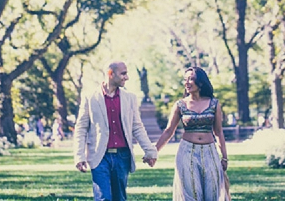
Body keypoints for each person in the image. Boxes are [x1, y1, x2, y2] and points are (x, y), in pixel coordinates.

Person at [73, 61, 158, 201]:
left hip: (122, 157)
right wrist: (79, 156)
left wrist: (150, 150)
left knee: (119, 198)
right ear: (110, 74)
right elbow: (81, 128)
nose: (127, 77)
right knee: (103, 198)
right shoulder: (90, 97)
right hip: (100, 156)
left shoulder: (130, 98)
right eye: (123, 73)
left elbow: (137, 127)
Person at [154, 66, 230, 201]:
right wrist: (153, 152)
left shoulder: (214, 104)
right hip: (187, 152)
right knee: (192, 193)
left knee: (213, 193)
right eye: (185, 80)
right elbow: (168, 131)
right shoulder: (180, 105)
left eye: (191, 79)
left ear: (200, 83)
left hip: (210, 152)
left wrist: (224, 157)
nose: (187, 83)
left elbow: (218, 131)